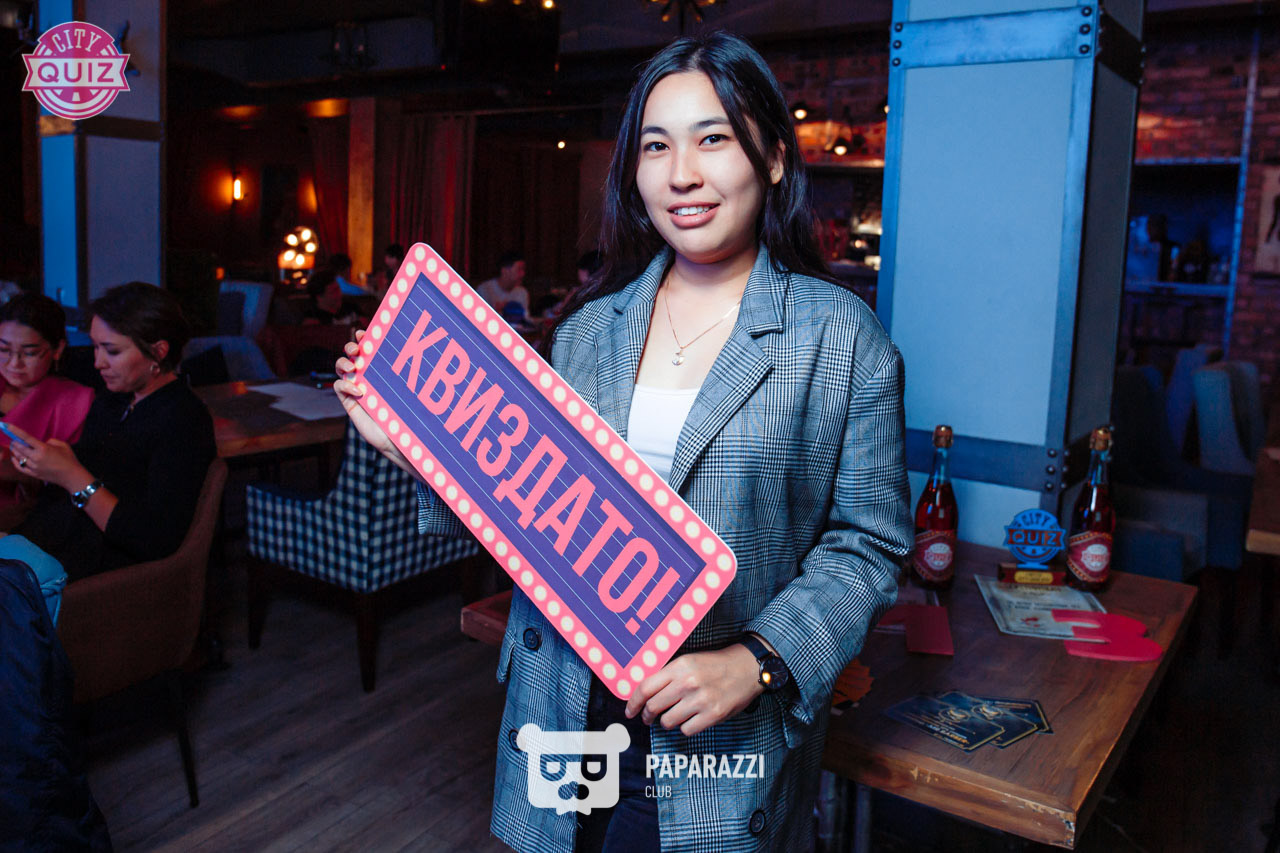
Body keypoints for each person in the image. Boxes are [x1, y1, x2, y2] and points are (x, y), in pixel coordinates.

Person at [334, 31, 910, 852]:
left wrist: (757, 659)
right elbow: (527, 514)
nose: (681, 174)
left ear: (775, 158)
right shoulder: (586, 331)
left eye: (713, 138)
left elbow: (868, 545)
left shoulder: (840, 337)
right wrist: (408, 445)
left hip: (716, 741)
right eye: (655, 146)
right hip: (563, 709)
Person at [10, 282, 216, 586]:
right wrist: (49, 464)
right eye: (95, 347)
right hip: (54, 547)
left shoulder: (183, 419)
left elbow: (154, 540)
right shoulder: (114, 400)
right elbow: (99, 468)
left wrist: (72, 475)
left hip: (108, 578)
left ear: (158, 352)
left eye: (112, 351)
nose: (98, 363)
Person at [0, 295, 95, 530]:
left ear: (57, 349)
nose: (14, 363)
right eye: (3, 349)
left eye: (29, 353)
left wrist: (16, 470)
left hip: (28, 523)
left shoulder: (75, 402)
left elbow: (68, 483)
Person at [477, 249, 532, 326]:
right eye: (519, 269)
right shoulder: (485, 290)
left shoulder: (522, 292)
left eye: (523, 270)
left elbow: (525, 320)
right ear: (505, 271)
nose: (523, 274)